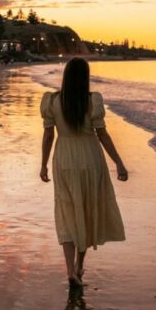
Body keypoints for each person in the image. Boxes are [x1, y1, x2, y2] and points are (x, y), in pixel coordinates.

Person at [39, 58, 128, 288]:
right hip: (90, 158)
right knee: (86, 210)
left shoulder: (53, 101)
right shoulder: (92, 101)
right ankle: (79, 266)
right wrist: (118, 162)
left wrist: (43, 164)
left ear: (66, 76)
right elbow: (103, 135)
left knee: (68, 211)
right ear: (85, 77)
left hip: (64, 158)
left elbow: (49, 135)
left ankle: (70, 270)